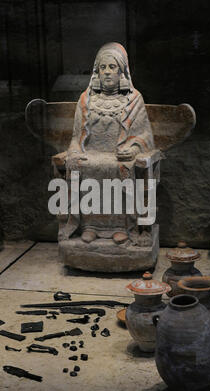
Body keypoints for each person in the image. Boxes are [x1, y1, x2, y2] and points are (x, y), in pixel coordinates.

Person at [62, 42, 155, 246]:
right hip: (91, 153)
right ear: (96, 72)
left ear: (121, 71)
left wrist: (132, 149)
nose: (106, 72)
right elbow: (76, 137)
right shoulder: (86, 100)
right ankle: (90, 226)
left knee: (117, 168)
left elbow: (145, 135)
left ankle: (122, 227)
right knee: (84, 166)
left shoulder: (134, 99)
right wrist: (75, 151)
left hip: (120, 157)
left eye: (112, 67)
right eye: (102, 68)